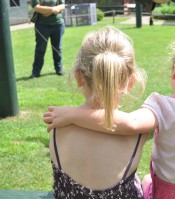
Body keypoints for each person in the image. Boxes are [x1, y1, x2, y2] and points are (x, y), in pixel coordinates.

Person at [44, 33, 175, 199]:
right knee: (145, 180)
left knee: (148, 180)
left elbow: (127, 123)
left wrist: (72, 114)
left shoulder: (163, 107)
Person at [47, 26, 148, 198]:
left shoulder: (59, 126)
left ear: (79, 77)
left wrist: (72, 115)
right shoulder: (138, 132)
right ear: (131, 82)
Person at [30, 0, 65, 78]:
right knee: (40, 49)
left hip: (58, 24)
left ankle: (59, 68)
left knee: (57, 48)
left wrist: (46, 10)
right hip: (42, 25)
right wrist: (53, 9)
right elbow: (36, 7)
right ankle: (36, 72)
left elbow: (62, 6)